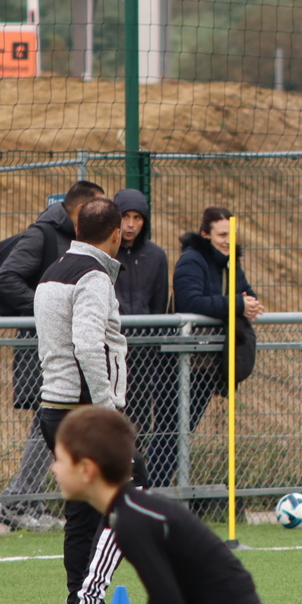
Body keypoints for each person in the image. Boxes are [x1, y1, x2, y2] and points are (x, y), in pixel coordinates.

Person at [51, 406, 267, 604]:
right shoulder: (126, 511)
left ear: (87, 470)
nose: (53, 468)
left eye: (60, 460)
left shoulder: (130, 520)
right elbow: (161, 599)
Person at [33, 195, 139, 604]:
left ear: (77, 229)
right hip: (85, 414)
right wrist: (107, 412)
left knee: (81, 512)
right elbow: (88, 345)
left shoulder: (53, 272)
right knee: (131, 498)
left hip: (54, 408)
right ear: (115, 235)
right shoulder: (93, 276)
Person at [0, 180, 107, 533]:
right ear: (81, 210)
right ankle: (17, 500)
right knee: (49, 423)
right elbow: (6, 278)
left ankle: (29, 500)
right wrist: (49, 311)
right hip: (44, 346)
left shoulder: (74, 240)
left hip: (65, 345)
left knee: (56, 426)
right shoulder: (42, 235)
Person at [173, 207, 264, 441]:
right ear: (205, 234)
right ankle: (151, 467)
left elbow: (247, 294)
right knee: (172, 431)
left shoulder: (230, 263)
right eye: (222, 235)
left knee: (184, 430)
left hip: (209, 360)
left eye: (232, 234)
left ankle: (161, 467)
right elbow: (190, 301)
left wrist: (247, 304)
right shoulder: (192, 260)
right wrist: (237, 304)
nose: (228, 241)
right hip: (185, 359)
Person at [112, 189, 177, 488]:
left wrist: (152, 346)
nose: (130, 224)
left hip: (143, 357)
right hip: (110, 352)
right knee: (109, 423)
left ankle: (134, 486)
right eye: (125, 216)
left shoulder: (156, 256)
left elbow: (158, 306)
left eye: (137, 218)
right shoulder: (105, 253)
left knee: (139, 424)